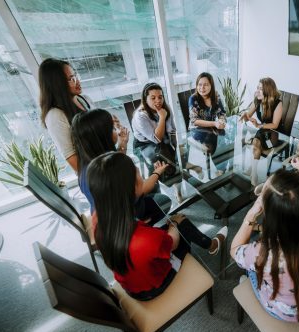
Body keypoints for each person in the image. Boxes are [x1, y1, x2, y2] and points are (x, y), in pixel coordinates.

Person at [87, 152, 227, 300]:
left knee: (172, 223)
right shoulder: (146, 239)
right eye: (138, 174)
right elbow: (173, 243)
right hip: (153, 288)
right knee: (182, 223)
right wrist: (174, 225)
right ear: (131, 190)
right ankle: (211, 245)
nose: (142, 178)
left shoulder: (97, 218)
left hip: (130, 285)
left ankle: (204, 242)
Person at [230, 169, 299, 322]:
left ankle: (249, 283)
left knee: (249, 269)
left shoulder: (263, 254)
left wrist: (250, 215)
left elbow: (234, 250)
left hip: (283, 312)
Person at [72, 108, 169, 218]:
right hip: (129, 218)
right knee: (164, 200)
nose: (117, 131)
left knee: (154, 187)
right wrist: (157, 172)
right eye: (113, 128)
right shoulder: (114, 168)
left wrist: (122, 145)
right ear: (103, 136)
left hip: (105, 219)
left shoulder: (85, 166)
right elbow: (140, 190)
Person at [39, 58, 92, 173]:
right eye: (70, 79)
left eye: (75, 75)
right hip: (93, 176)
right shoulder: (55, 115)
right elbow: (72, 158)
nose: (77, 81)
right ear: (57, 85)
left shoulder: (84, 100)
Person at [239, 77, 283, 185]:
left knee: (255, 143)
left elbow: (275, 124)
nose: (257, 91)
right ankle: (254, 173)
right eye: (257, 87)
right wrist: (245, 115)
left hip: (273, 134)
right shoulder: (257, 100)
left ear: (267, 91)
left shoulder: (278, 103)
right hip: (262, 131)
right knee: (256, 143)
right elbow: (248, 115)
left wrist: (259, 125)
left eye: (260, 89)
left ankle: (252, 170)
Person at [132, 82, 177, 176]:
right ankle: (162, 182)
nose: (158, 100)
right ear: (145, 99)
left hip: (162, 140)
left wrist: (176, 145)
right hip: (144, 144)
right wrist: (162, 117)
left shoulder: (166, 107)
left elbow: (172, 129)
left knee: (178, 156)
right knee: (168, 167)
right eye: (153, 98)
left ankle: (177, 185)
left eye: (160, 97)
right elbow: (156, 139)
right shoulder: (140, 116)